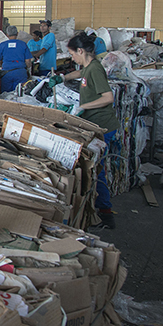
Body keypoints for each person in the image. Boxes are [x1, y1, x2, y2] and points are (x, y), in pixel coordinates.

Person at [49, 32, 120, 228]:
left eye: (72, 54)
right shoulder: (89, 67)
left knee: (98, 170)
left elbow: (108, 97)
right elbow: (80, 74)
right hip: (95, 123)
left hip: (103, 126)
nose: (72, 58)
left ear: (81, 51)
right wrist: (62, 77)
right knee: (95, 169)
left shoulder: (95, 69)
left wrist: (83, 107)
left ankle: (106, 214)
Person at [0, 25, 33, 92]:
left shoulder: (2, 45)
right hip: (20, 73)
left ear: (7, 35)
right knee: (20, 95)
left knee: (6, 95)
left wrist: (5, 65)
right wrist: (28, 69)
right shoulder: (23, 44)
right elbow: (28, 61)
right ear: (17, 33)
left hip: (6, 73)